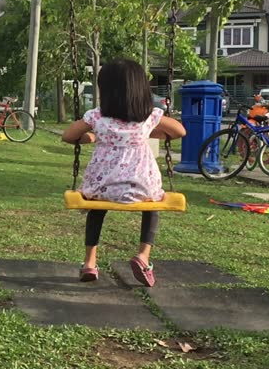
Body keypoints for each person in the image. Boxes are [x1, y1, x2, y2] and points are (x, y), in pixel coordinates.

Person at [61, 58, 186, 287]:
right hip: (141, 188)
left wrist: (91, 136)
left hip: (103, 188)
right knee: (153, 207)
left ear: (105, 91)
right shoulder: (149, 116)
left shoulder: (97, 117)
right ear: (140, 90)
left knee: (96, 209)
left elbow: (68, 136)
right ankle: (143, 256)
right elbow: (179, 131)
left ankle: (90, 262)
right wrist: (148, 133)